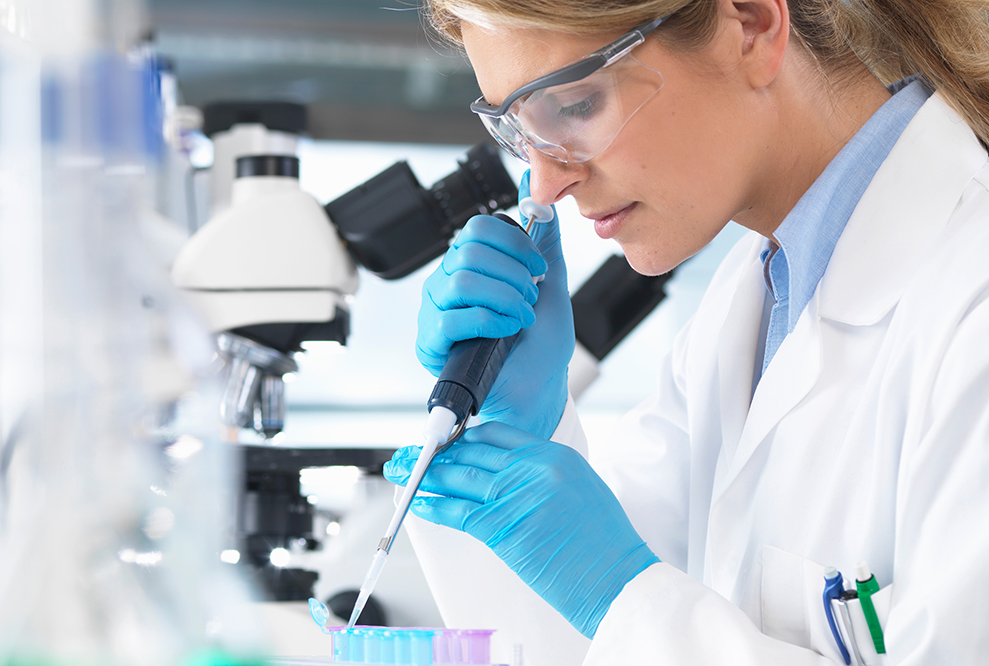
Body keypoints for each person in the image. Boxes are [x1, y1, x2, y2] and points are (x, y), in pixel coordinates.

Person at [383, 0, 989, 663]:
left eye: (576, 106)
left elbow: (633, 606)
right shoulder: (746, 310)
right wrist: (529, 427)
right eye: (519, 129)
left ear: (751, 25)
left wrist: (619, 595)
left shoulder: (969, 296)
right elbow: (592, 638)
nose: (548, 183)